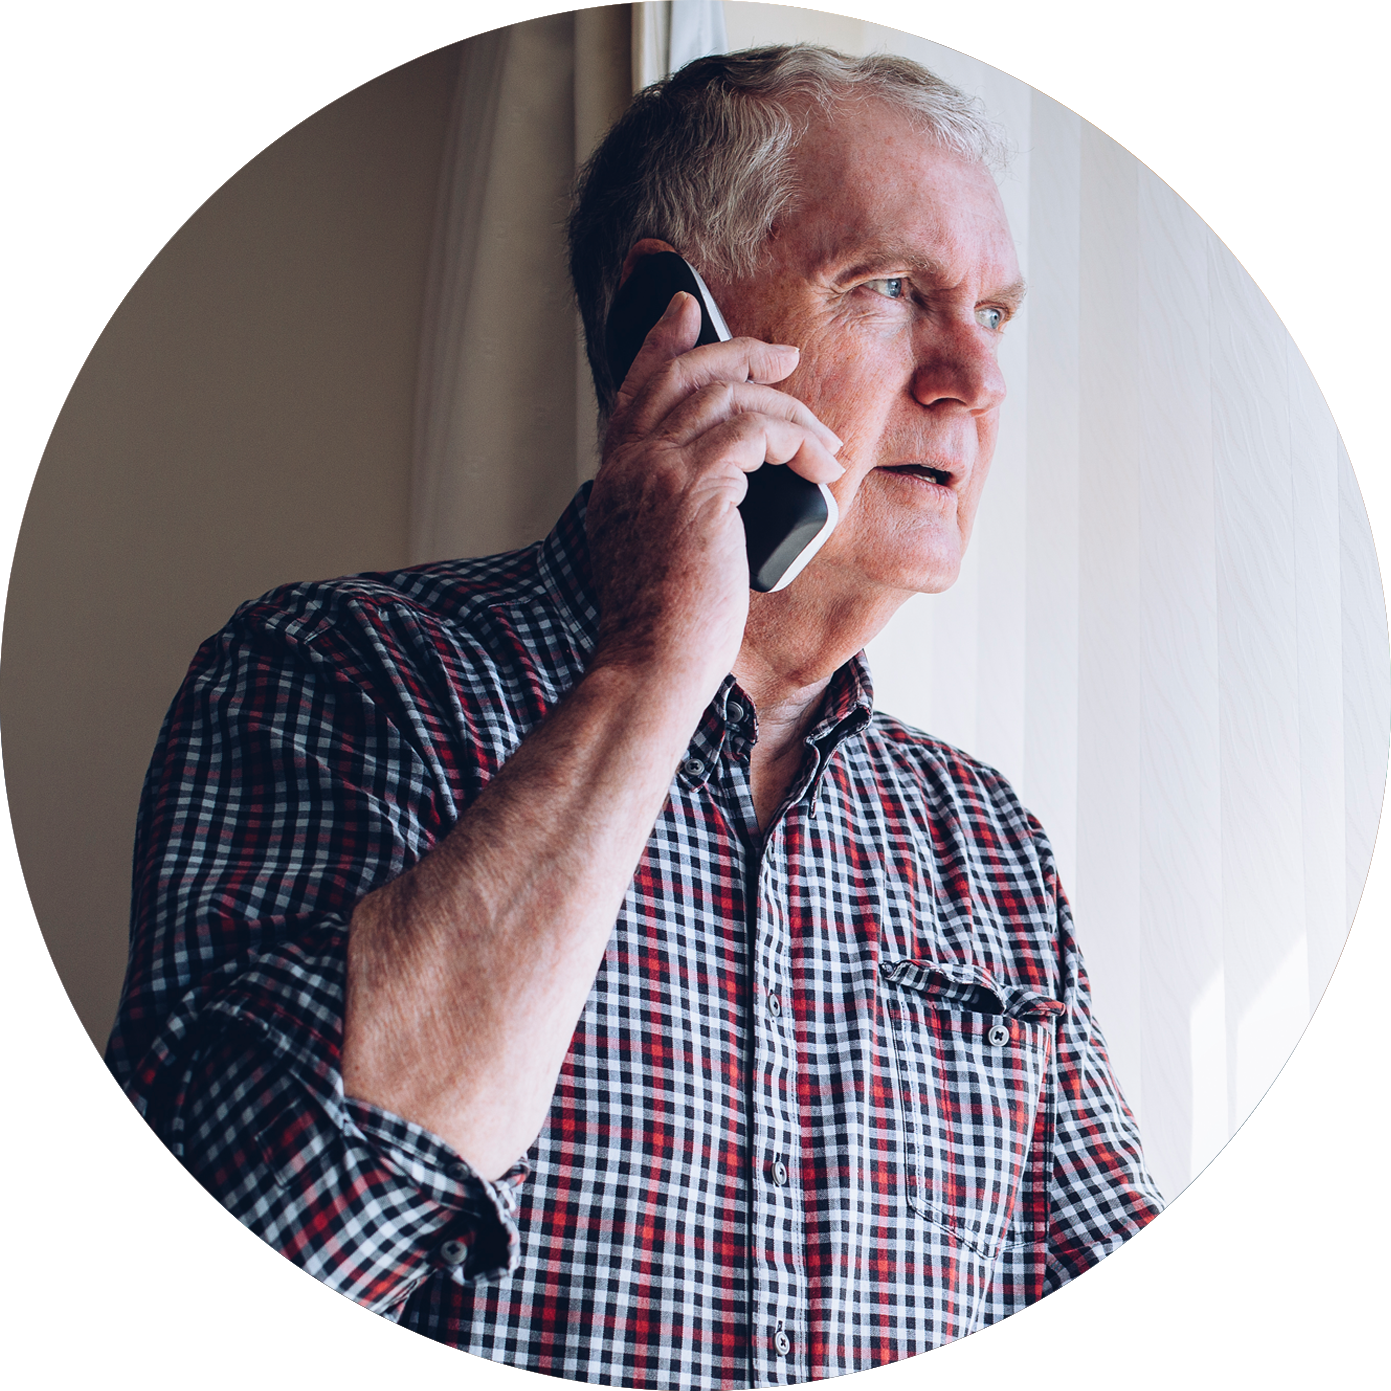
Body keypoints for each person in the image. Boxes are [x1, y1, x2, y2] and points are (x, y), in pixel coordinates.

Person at [107, 45, 1162, 1388]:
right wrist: (661, 657)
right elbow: (253, 1260)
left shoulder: (984, 840)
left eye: (996, 313)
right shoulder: (334, 672)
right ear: (667, 321)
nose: (972, 375)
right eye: (892, 290)